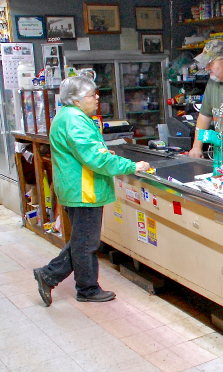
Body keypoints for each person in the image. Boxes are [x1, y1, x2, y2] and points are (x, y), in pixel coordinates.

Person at [33, 76, 151, 306]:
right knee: (86, 243)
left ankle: (56, 278)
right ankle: (80, 286)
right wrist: (131, 166)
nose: (97, 98)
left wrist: (108, 156)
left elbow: (90, 151)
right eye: (91, 95)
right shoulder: (75, 120)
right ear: (76, 100)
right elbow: (94, 158)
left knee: (82, 240)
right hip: (83, 190)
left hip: (75, 188)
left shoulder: (69, 116)